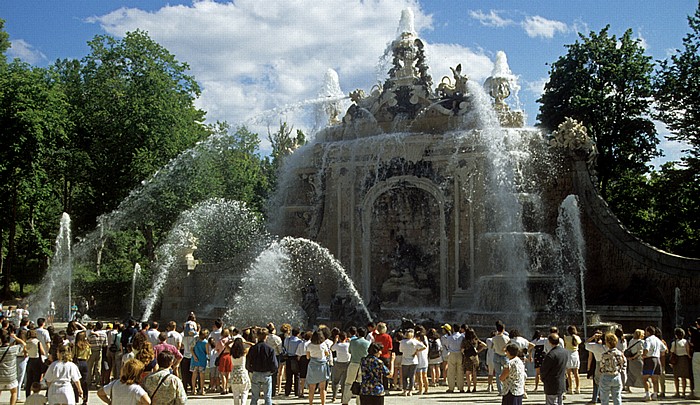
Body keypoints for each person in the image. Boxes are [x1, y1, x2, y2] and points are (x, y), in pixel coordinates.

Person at [246, 328, 278, 405]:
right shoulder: (270, 349)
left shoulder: (253, 348)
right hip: (266, 374)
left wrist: (251, 370)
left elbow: (248, 362)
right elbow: (274, 364)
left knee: (254, 397)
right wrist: (272, 371)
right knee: (267, 397)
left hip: (256, 373)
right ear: (266, 337)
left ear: (257, 336)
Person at [342, 327, 370, 405]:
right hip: (363, 365)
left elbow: (350, 351)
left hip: (353, 363)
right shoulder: (368, 343)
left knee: (348, 383)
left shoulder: (353, 342)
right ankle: (359, 402)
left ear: (357, 333)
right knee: (361, 383)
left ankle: (345, 401)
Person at [0, 329, 26, 405]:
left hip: (0, 375)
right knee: (14, 392)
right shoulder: (13, 349)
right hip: (11, 376)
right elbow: (24, 344)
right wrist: (15, 337)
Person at [541, 333, 568, 405]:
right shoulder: (565, 352)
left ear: (549, 342)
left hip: (551, 384)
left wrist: (543, 379)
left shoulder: (551, 355)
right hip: (561, 382)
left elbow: (544, 370)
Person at [306, 330, 332, 405]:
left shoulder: (309, 345)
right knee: (322, 388)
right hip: (322, 366)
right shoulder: (323, 345)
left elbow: (307, 357)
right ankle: (323, 403)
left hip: (313, 366)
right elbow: (327, 354)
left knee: (311, 388)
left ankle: (310, 403)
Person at [641, 325, 666, 401]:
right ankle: (655, 395)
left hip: (649, 359)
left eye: (646, 331)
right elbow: (664, 349)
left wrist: (643, 355)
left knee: (645, 378)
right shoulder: (658, 340)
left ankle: (647, 394)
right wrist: (660, 354)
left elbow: (646, 349)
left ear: (648, 332)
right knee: (655, 379)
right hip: (657, 359)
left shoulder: (648, 339)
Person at [399, 328, 425, 396]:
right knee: (412, 376)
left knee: (404, 376)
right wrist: (416, 351)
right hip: (414, 360)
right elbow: (424, 347)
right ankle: (410, 391)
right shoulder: (415, 341)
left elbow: (400, 350)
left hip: (405, 361)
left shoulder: (402, 342)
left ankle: (404, 390)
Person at [462, 327, 486, 393]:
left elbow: (462, 350)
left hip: (467, 357)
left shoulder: (465, 340)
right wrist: (478, 351)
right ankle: (475, 388)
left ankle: (469, 388)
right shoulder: (476, 340)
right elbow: (484, 345)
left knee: (468, 373)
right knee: (474, 373)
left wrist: (465, 353)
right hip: (475, 357)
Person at [442, 323, 464, 393]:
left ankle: (451, 388)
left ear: (453, 329)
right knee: (460, 371)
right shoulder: (462, 337)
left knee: (451, 372)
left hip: (452, 354)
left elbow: (447, 345)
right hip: (459, 354)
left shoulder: (449, 338)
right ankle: (461, 388)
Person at [229, 338, 251, 405]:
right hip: (242, 372)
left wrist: (232, 341)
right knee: (244, 391)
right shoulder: (244, 352)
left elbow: (226, 344)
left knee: (235, 393)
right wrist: (245, 342)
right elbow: (253, 345)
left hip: (234, 373)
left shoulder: (231, 352)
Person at [330, 331, 350, 402]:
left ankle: (334, 396)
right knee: (344, 382)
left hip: (338, 363)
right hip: (347, 363)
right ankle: (343, 398)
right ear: (346, 338)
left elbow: (331, 349)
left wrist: (335, 341)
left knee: (336, 381)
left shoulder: (337, 345)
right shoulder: (348, 345)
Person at [283, 327, 303, 397]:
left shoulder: (287, 340)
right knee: (297, 376)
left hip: (288, 358)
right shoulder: (299, 342)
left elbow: (284, 347)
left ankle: (287, 392)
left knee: (289, 376)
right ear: (298, 333)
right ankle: (297, 392)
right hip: (296, 358)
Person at [492, 321, 511, 395]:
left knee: (498, 373)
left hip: (496, 355)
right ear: (503, 329)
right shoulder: (507, 338)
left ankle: (500, 390)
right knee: (506, 372)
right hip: (504, 356)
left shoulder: (493, 338)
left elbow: (493, 347)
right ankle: (506, 388)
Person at [73, 330, 91, 405]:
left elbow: (73, 354)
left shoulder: (76, 346)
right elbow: (89, 355)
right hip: (84, 363)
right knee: (84, 382)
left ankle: (76, 399)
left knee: (76, 381)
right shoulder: (87, 346)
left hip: (77, 363)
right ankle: (85, 400)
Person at [625, 329, 645, 393]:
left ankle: (628, 387)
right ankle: (645, 386)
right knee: (641, 373)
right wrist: (634, 357)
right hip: (637, 359)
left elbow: (628, 349)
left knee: (630, 373)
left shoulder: (631, 340)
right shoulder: (641, 342)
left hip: (630, 359)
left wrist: (629, 357)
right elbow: (640, 352)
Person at [190, 329, 208, 396]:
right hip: (202, 360)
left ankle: (193, 389)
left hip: (194, 360)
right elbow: (207, 352)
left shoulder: (195, 341)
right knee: (202, 375)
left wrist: (194, 356)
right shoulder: (206, 342)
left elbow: (191, 349)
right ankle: (201, 389)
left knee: (194, 375)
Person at [565, 325, 582, 394]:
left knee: (569, 373)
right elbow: (579, 342)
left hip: (568, 354)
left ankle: (570, 388)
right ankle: (578, 388)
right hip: (575, 354)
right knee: (576, 373)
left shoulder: (566, 338)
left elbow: (565, 345)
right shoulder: (577, 338)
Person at [688, 317, 700, 400]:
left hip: (697, 353)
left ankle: (698, 393)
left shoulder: (696, 332)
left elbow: (692, 343)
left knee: (696, 374)